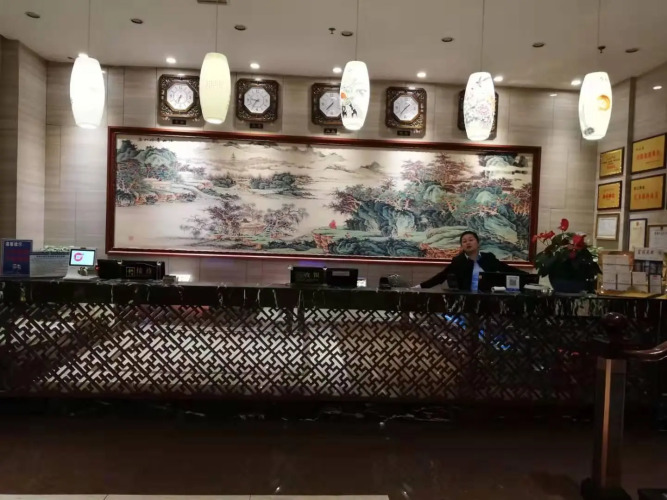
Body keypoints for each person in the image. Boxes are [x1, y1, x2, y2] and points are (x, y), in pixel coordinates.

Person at [416, 231, 526, 291]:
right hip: (467, 300)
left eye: (471, 240)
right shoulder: (458, 261)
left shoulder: (488, 258)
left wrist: (529, 278)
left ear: (478, 243)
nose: (467, 243)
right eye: (464, 241)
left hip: (488, 300)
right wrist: (419, 287)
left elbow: (506, 269)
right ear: (462, 246)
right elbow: (441, 276)